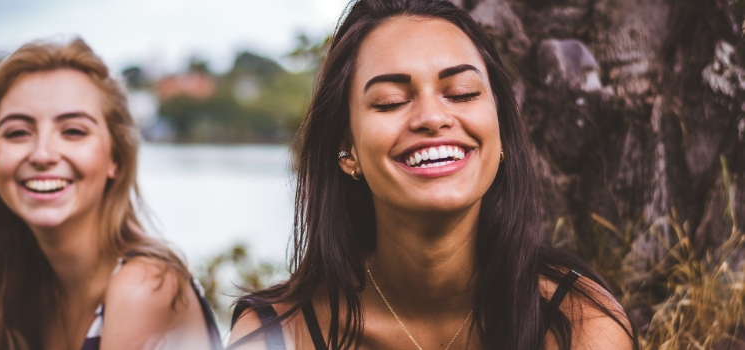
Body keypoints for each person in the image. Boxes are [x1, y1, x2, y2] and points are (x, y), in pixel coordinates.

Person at [227, 0, 636, 349]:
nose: (433, 118)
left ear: (502, 132)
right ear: (347, 150)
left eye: (462, 93)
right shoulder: (275, 336)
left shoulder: (578, 323)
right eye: (389, 102)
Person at [0, 38, 222, 350]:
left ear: (114, 159)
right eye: (17, 132)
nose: (42, 154)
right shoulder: (15, 287)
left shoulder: (144, 287)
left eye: (73, 131)